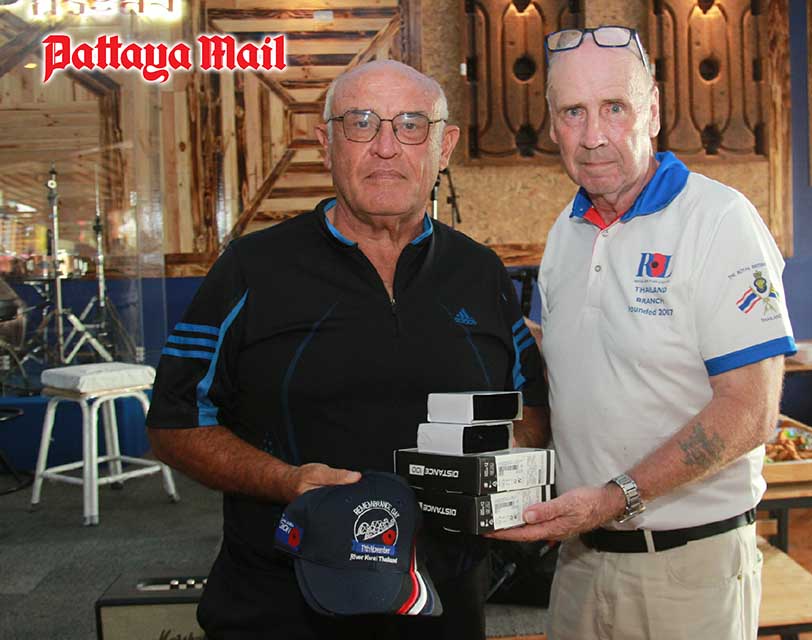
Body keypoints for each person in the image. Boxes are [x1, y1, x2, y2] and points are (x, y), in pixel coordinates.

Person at [146, 60, 548, 640]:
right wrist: (284, 481)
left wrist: (506, 455)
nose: (386, 146)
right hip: (283, 602)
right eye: (360, 123)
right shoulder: (251, 269)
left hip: (445, 601)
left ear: (443, 148)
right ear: (325, 145)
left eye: (411, 125)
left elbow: (532, 406)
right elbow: (174, 424)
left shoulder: (480, 273)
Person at [492, 27, 796, 640]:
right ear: (551, 124)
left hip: (686, 573)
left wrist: (615, 497)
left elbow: (751, 411)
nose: (593, 135)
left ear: (653, 111)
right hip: (578, 561)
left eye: (615, 107)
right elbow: (588, 365)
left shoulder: (719, 221)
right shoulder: (566, 232)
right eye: (573, 112)